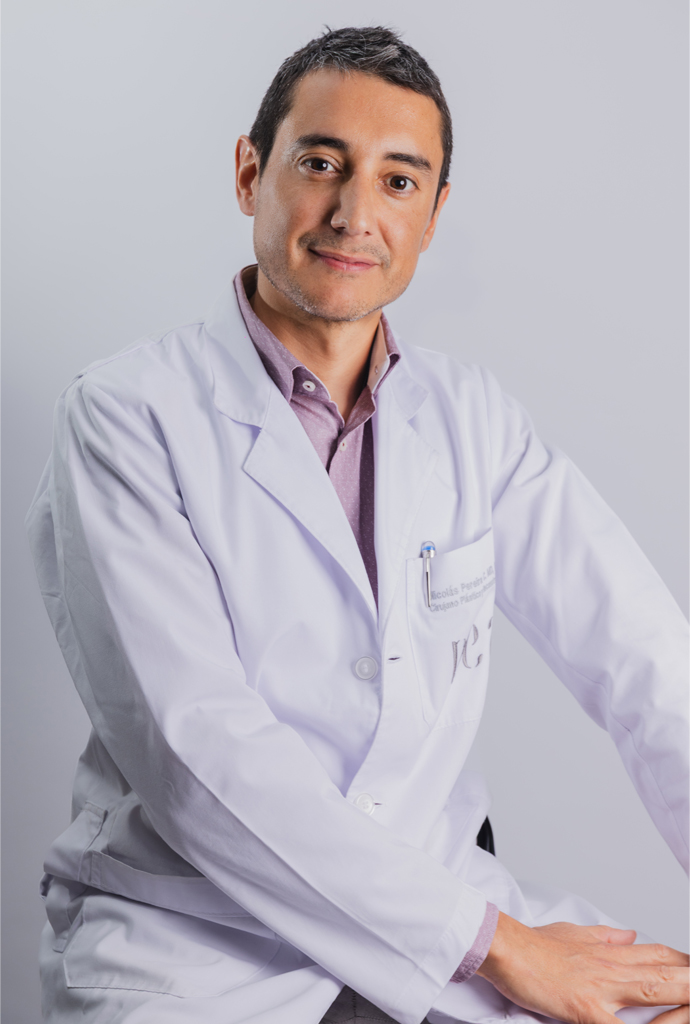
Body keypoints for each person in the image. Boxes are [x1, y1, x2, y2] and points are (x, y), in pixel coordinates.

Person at [27, 25, 688, 1024]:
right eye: (321, 163)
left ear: (434, 213)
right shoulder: (127, 416)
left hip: (438, 903)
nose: (354, 213)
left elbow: (643, 658)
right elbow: (199, 758)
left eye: (398, 180)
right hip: (199, 948)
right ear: (250, 173)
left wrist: (489, 941)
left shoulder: (471, 419)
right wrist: (500, 946)